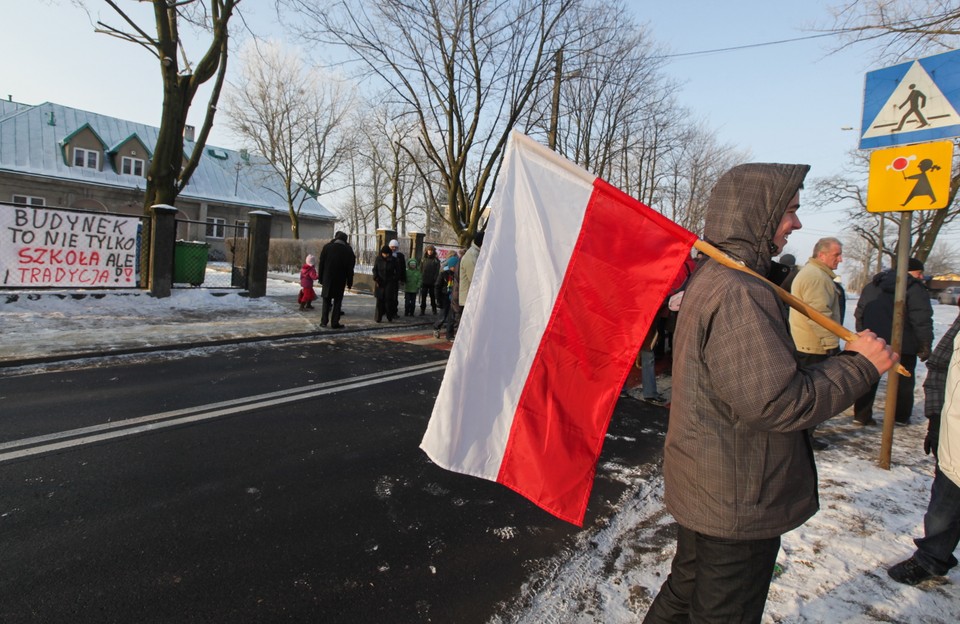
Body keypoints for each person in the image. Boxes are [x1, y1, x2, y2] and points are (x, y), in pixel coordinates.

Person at [643, 163, 898, 623]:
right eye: (791, 212)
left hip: (711, 481)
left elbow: (741, 379)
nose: (796, 224)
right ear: (758, 215)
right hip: (738, 495)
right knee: (721, 612)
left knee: (685, 593)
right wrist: (861, 367)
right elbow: (778, 402)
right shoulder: (738, 289)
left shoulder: (719, 278)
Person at [888, 301, 960, 586]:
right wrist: (935, 416)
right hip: (955, 437)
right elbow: (940, 364)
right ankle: (931, 558)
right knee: (944, 507)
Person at [853, 257, 934, 426]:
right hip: (904, 344)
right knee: (903, 382)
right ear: (909, 272)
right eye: (919, 273)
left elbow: (860, 312)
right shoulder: (914, 289)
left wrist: (862, 334)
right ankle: (900, 416)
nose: (920, 277)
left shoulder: (873, 286)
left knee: (869, 378)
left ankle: (861, 415)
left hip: (874, 342)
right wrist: (925, 344)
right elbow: (921, 320)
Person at [788, 237, 845, 450]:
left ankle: (804, 436)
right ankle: (804, 438)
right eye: (836, 255)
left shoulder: (816, 274)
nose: (840, 259)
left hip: (809, 343)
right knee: (813, 395)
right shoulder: (816, 277)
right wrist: (831, 345)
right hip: (812, 346)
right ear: (822, 255)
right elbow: (819, 314)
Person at [316, 231, 355, 329]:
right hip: (340, 280)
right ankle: (335, 323)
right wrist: (350, 282)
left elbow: (321, 264)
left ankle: (323, 322)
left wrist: (320, 278)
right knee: (337, 302)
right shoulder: (348, 250)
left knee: (326, 301)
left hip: (327, 279)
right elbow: (350, 268)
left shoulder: (327, 247)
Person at [373, 245, 400, 322]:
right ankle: (378, 317)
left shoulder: (394, 260)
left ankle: (389, 316)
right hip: (380, 282)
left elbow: (398, 271)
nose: (385, 255)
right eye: (384, 254)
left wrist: (394, 279)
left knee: (389, 300)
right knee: (379, 300)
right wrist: (376, 278)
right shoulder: (378, 259)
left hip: (390, 282)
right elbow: (375, 269)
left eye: (387, 254)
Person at [433, 257, 458, 341]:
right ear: (451, 266)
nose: (456, 268)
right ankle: (436, 327)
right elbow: (437, 286)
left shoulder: (456, 275)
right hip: (444, 297)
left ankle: (449, 335)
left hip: (452, 298)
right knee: (443, 316)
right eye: (454, 266)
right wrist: (438, 299)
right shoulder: (444, 274)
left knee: (452, 316)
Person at [420, 245, 441, 315]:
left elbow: (437, 271)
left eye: (431, 250)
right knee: (423, 297)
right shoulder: (423, 259)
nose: (430, 252)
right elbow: (421, 269)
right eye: (429, 250)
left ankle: (434, 309)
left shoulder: (436, 260)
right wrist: (421, 278)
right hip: (424, 280)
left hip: (432, 282)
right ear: (426, 251)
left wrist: (435, 279)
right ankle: (422, 310)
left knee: (432, 297)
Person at [388, 239, 406, 320]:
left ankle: (394, 312)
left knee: (395, 297)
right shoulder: (386, 254)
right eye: (392, 247)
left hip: (395, 280)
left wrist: (402, 279)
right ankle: (386, 311)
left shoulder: (400, 256)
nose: (394, 248)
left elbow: (403, 268)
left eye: (395, 247)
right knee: (387, 297)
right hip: (387, 279)